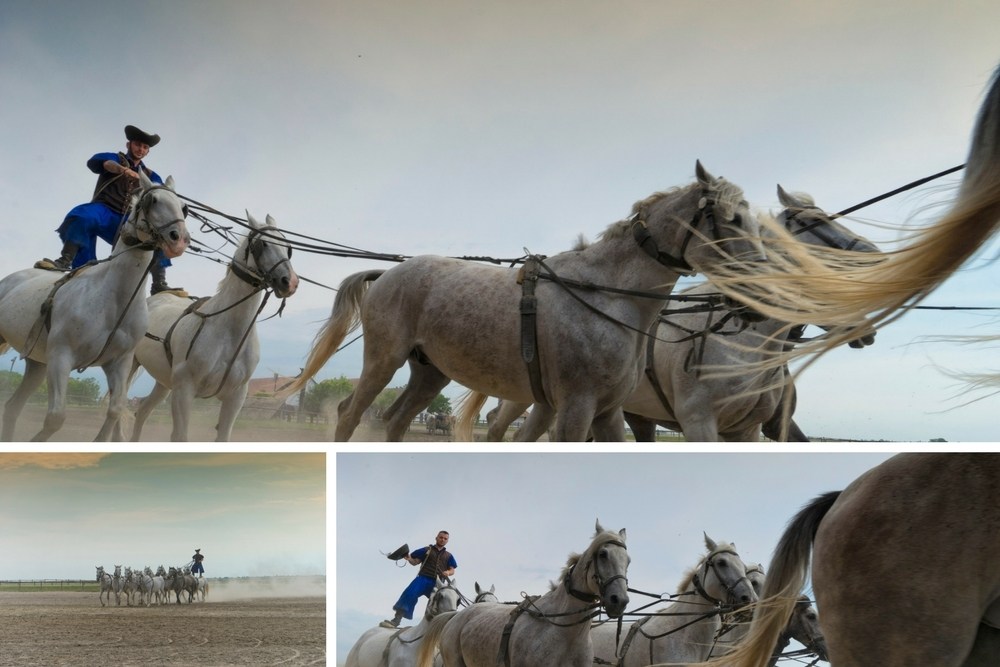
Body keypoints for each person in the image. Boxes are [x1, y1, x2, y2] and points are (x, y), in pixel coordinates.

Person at [35, 124, 185, 295]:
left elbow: (160, 193)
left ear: (148, 152)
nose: (141, 149)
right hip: (104, 210)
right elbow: (101, 163)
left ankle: (159, 283)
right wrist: (124, 170)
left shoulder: (151, 175)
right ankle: (65, 261)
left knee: (157, 234)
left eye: (145, 147)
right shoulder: (114, 157)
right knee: (83, 215)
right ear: (129, 145)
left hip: (127, 220)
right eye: (137, 145)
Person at [380, 530, 456, 628]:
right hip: (423, 579)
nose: (442, 540)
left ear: (447, 541)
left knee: (445, 601)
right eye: (441, 537)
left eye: (445, 539)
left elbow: (452, 570)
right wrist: (408, 558)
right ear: (436, 538)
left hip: (438, 583)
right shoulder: (427, 550)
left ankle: (443, 625)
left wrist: (448, 572)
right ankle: (396, 620)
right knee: (409, 593)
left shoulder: (448, 555)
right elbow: (415, 562)